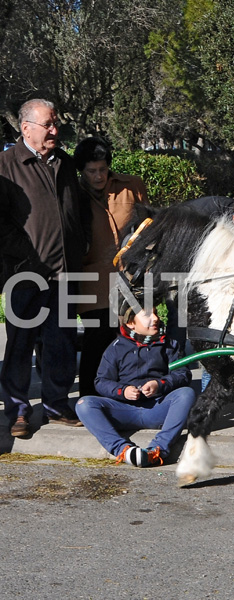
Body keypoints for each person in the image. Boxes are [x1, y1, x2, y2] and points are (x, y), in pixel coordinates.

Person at [0, 99, 91, 437]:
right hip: (25, 275)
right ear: (26, 129)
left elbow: (77, 209)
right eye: (48, 125)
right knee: (20, 345)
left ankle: (56, 405)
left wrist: (79, 244)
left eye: (55, 124)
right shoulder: (6, 165)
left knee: (61, 343)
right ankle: (18, 411)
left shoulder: (64, 164)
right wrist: (22, 257)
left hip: (65, 273)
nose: (55, 130)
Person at [72, 137, 149, 397]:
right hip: (91, 278)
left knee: (131, 339)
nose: (98, 176)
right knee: (97, 340)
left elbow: (148, 225)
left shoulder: (131, 186)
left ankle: (127, 395)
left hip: (131, 277)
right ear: (81, 171)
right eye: (91, 171)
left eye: (102, 169)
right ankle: (89, 398)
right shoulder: (73, 193)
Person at [75, 306, 196, 466]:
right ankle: (123, 450)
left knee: (186, 394)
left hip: (157, 408)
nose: (155, 318)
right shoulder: (115, 347)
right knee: (84, 404)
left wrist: (159, 385)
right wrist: (122, 391)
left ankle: (157, 450)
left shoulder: (170, 344)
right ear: (131, 323)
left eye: (156, 314)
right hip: (124, 411)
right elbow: (101, 382)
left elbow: (183, 374)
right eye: (147, 315)